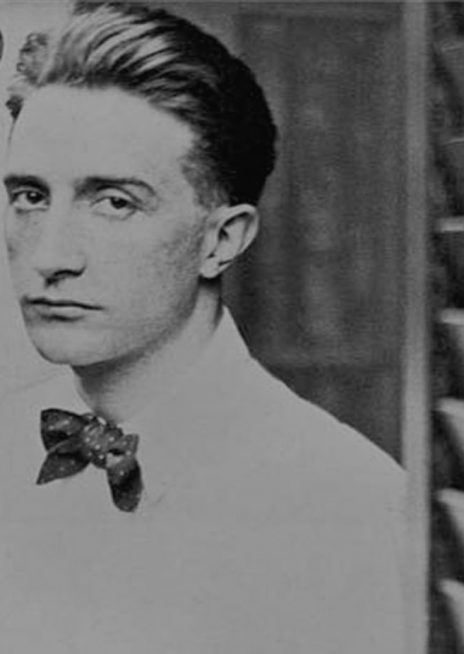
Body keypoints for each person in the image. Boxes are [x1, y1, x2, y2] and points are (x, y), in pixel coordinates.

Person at [0, 3, 404, 653]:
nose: (50, 255)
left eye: (115, 202)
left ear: (222, 240)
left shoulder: (349, 504)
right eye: (30, 197)